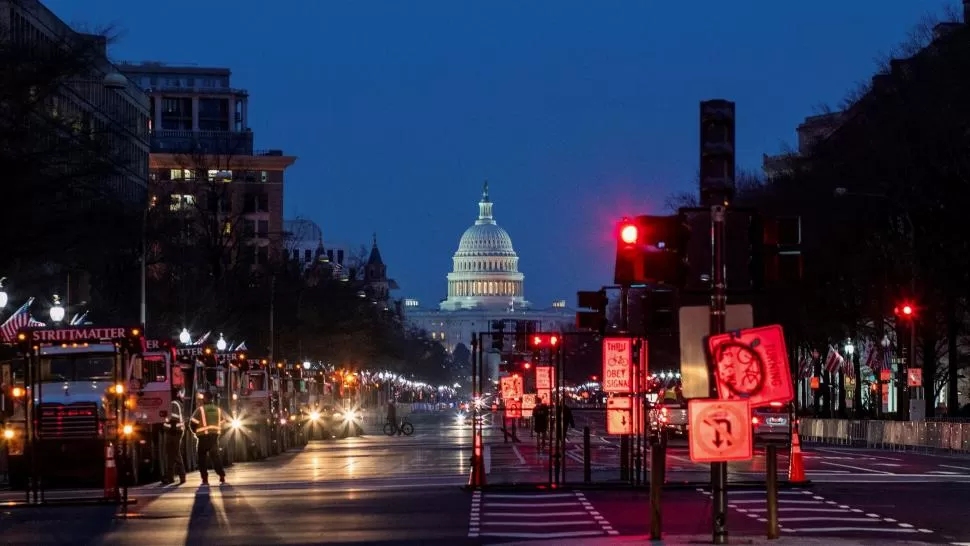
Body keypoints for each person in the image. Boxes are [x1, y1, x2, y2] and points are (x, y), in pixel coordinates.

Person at [190, 392, 226, 485]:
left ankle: (205, 479)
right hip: (214, 438)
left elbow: (192, 423)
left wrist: (196, 432)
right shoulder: (218, 410)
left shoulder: (200, 410)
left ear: (205, 399)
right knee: (215, 457)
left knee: (202, 458)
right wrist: (217, 431)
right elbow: (223, 422)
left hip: (202, 438)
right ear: (212, 399)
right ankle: (221, 475)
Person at [160, 402, 186, 485]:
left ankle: (181, 476)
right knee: (170, 454)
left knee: (175, 453)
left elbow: (174, 418)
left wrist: (172, 427)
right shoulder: (170, 402)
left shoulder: (173, 403)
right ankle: (170, 477)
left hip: (175, 431)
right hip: (172, 431)